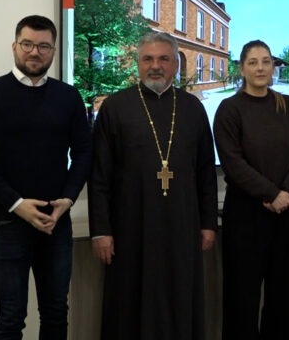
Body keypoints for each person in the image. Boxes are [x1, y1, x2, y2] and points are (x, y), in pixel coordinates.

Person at [0, 15, 92, 339]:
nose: (35, 52)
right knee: (10, 315)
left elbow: (84, 152)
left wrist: (68, 199)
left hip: (55, 221)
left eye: (44, 46)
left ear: (53, 51)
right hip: (7, 222)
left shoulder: (68, 96)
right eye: (28, 44)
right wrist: (16, 203)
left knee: (56, 311)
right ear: (15, 46)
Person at [88, 31, 218, 339]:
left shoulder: (192, 108)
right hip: (130, 226)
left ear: (176, 65)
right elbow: (99, 175)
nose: (155, 66)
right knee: (129, 300)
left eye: (163, 59)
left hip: (182, 225)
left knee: (179, 295)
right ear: (138, 63)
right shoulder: (115, 107)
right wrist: (101, 230)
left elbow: (205, 172)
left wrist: (208, 223)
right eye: (148, 59)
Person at [213, 40, 289, 339]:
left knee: (283, 295)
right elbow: (233, 163)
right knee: (242, 296)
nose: (260, 68)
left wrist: (286, 194)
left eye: (266, 61)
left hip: (285, 213)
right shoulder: (229, 110)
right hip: (245, 216)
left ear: (273, 67)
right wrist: (271, 194)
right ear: (242, 68)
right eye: (253, 62)